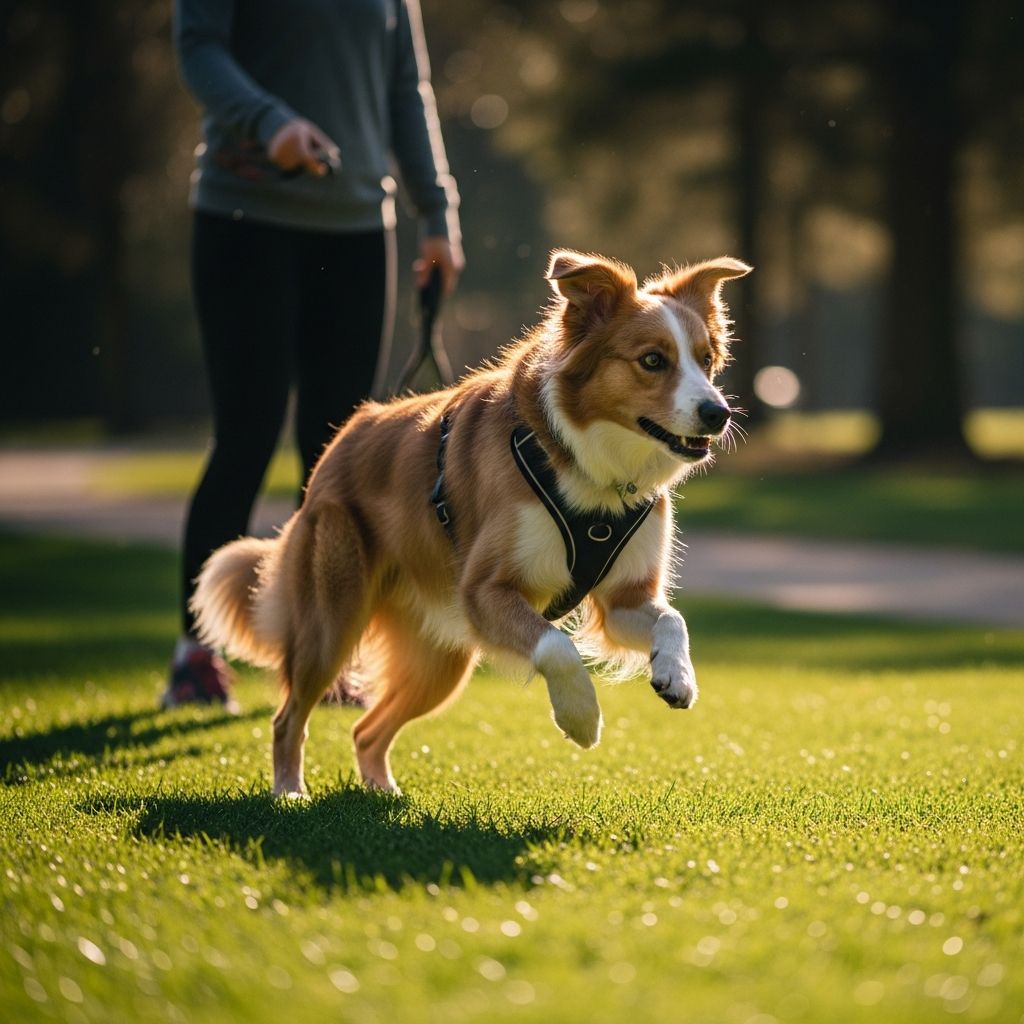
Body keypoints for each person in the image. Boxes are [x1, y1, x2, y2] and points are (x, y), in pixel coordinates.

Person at [163, 0, 463, 710]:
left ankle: (322, 650)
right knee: (246, 436)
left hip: (358, 230)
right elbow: (199, 49)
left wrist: (436, 214)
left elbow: (404, 89)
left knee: (338, 450)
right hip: (247, 216)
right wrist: (271, 122)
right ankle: (195, 657)